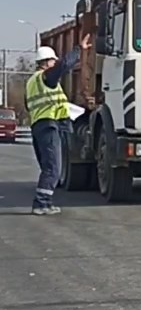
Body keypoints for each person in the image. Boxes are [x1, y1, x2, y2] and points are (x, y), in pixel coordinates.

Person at [25, 35, 91, 215]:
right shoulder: (47, 77)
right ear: (46, 62)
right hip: (48, 125)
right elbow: (63, 66)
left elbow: (31, 104)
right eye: (53, 60)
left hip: (39, 126)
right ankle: (41, 203)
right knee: (54, 168)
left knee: (48, 167)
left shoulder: (32, 81)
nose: (55, 63)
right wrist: (79, 49)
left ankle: (44, 203)